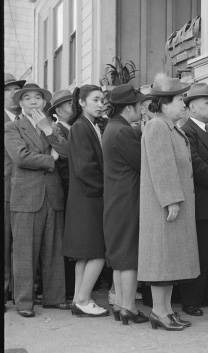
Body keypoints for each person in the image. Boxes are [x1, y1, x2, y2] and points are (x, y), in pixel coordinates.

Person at [138, 73, 199, 331]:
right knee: (162, 259)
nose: (184, 104)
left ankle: (166, 310)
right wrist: (171, 200)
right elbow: (161, 167)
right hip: (165, 205)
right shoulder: (157, 127)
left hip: (172, 204)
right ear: (163, 103)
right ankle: (159, 312)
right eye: (179, 100)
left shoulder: (168, 127)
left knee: (170, 259)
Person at [4, 83, 70, 317]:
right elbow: (21, 157)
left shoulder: (52, 126)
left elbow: (67, 152)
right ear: (20, 103)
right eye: (27, 98)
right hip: (25, 197)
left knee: (54, 248)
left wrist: (49, 131)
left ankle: (55, 297)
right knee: (24, 251)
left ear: (44, 103)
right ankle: (24, 302)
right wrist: (50, 159)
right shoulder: (12, 128)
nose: (33, 101)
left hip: (53, 195)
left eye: (38, 98)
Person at [178, 83, 208, 317]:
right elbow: (196, 166)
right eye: (207, 102)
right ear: (192, 106)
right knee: (200, 253)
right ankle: (191, 300)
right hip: (201, 203)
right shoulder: (187, 130)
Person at [102, 84, 148, 325]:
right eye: (140, 105)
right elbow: (142, 163)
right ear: (129, 107)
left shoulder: (112, 128)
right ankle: (128, 306)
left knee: (119, 255)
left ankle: (121, 304)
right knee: (129, 255)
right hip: (128, 199)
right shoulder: (124, 132)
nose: (142, 109)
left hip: (115, 199)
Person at [62, 85, 109, 317]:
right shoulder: (82, 127)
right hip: (89, 198)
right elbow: (85, 168)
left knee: (85, 253)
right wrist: (105, 190)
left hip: (85, 197)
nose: (101, 104)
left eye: (102, 100)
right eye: (96, 100)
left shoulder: (88, 125)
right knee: (98, 252)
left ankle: (79, 299)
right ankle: (82, 298)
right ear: (81, 102)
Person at [47, 89, 75, 301]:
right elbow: (64, 162)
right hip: (66, 192)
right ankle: (68, 288)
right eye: (69, 104)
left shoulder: (74, 128)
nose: (73, 107)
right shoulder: (56, 130)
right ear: (58, 110)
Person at [3, 73, 25, 309]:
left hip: (25, 192)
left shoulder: (25, 120)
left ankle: (17, 291)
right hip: (6, 189)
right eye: (8, 90)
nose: (12, 94)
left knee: (19, 244)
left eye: (15, 90)